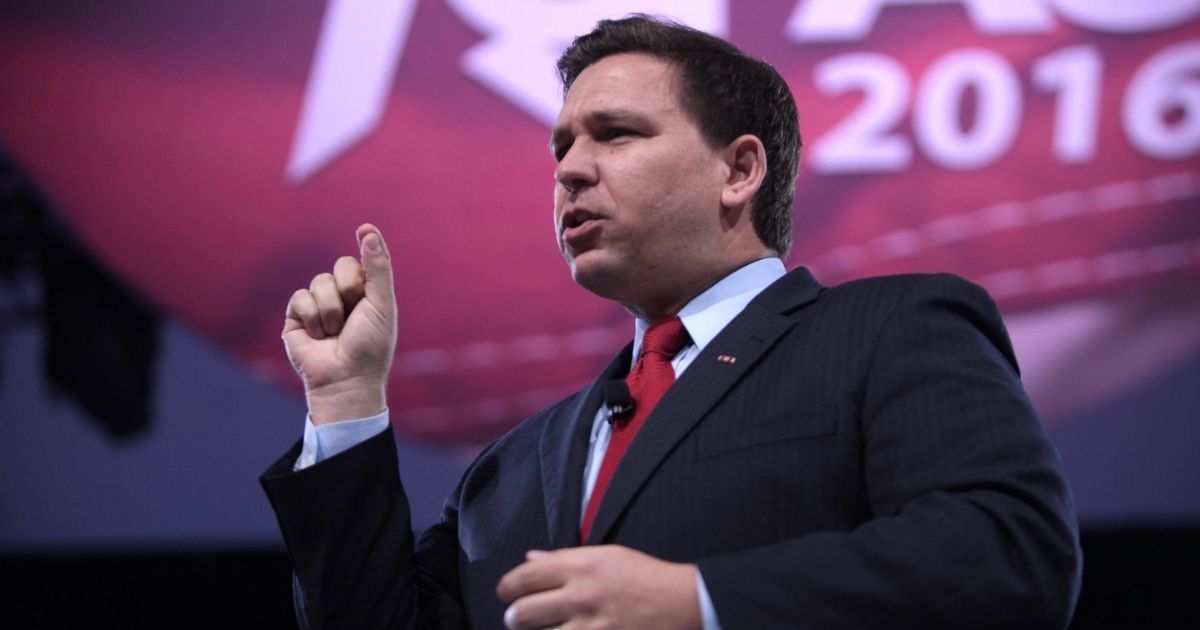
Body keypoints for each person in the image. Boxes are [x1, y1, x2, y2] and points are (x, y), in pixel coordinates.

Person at [261, 15, 1082, 630]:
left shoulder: (888, 330)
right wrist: (345, 404)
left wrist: (701, 601)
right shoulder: (511, 468)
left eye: (615, 135)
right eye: (562, 150)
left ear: (739, 169)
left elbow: (1007, 552)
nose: (572, 170)